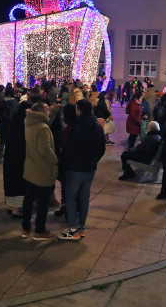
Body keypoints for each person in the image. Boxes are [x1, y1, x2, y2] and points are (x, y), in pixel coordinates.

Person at [58, 99, 106, 240]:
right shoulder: (97, 127)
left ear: (79, 110)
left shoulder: (76, 128)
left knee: (71, 197)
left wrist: (65, 166)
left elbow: (69, 149)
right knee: (84, 198)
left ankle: (73, 229)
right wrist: (93, 160)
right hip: (89, 169)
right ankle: (81, 227)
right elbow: (101, 148)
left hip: (75, 168)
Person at [21, 101, 59, 241]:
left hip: (30, 167)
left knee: (28, 200)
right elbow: (45, 150)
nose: (49, 111)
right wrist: (55, 160)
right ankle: (40, 231)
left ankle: (25, 227)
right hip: (42, 169)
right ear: (42, 112)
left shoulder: (29, 122)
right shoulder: (43, 128)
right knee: (43, 202)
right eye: (47, 109)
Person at [3, 101, 32, 218]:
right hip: (20, 157)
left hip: (10, 156)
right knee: (19, 182)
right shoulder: (24, 123)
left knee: (10, 181)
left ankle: (11, 206)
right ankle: (16, 210)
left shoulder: (14, 119)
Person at [0, 87, 19, 164]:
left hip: (2, 124)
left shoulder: (2, 102)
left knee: (1, 142)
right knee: (10, 143)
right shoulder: (15, 103)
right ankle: (8, 158)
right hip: (11, 125)